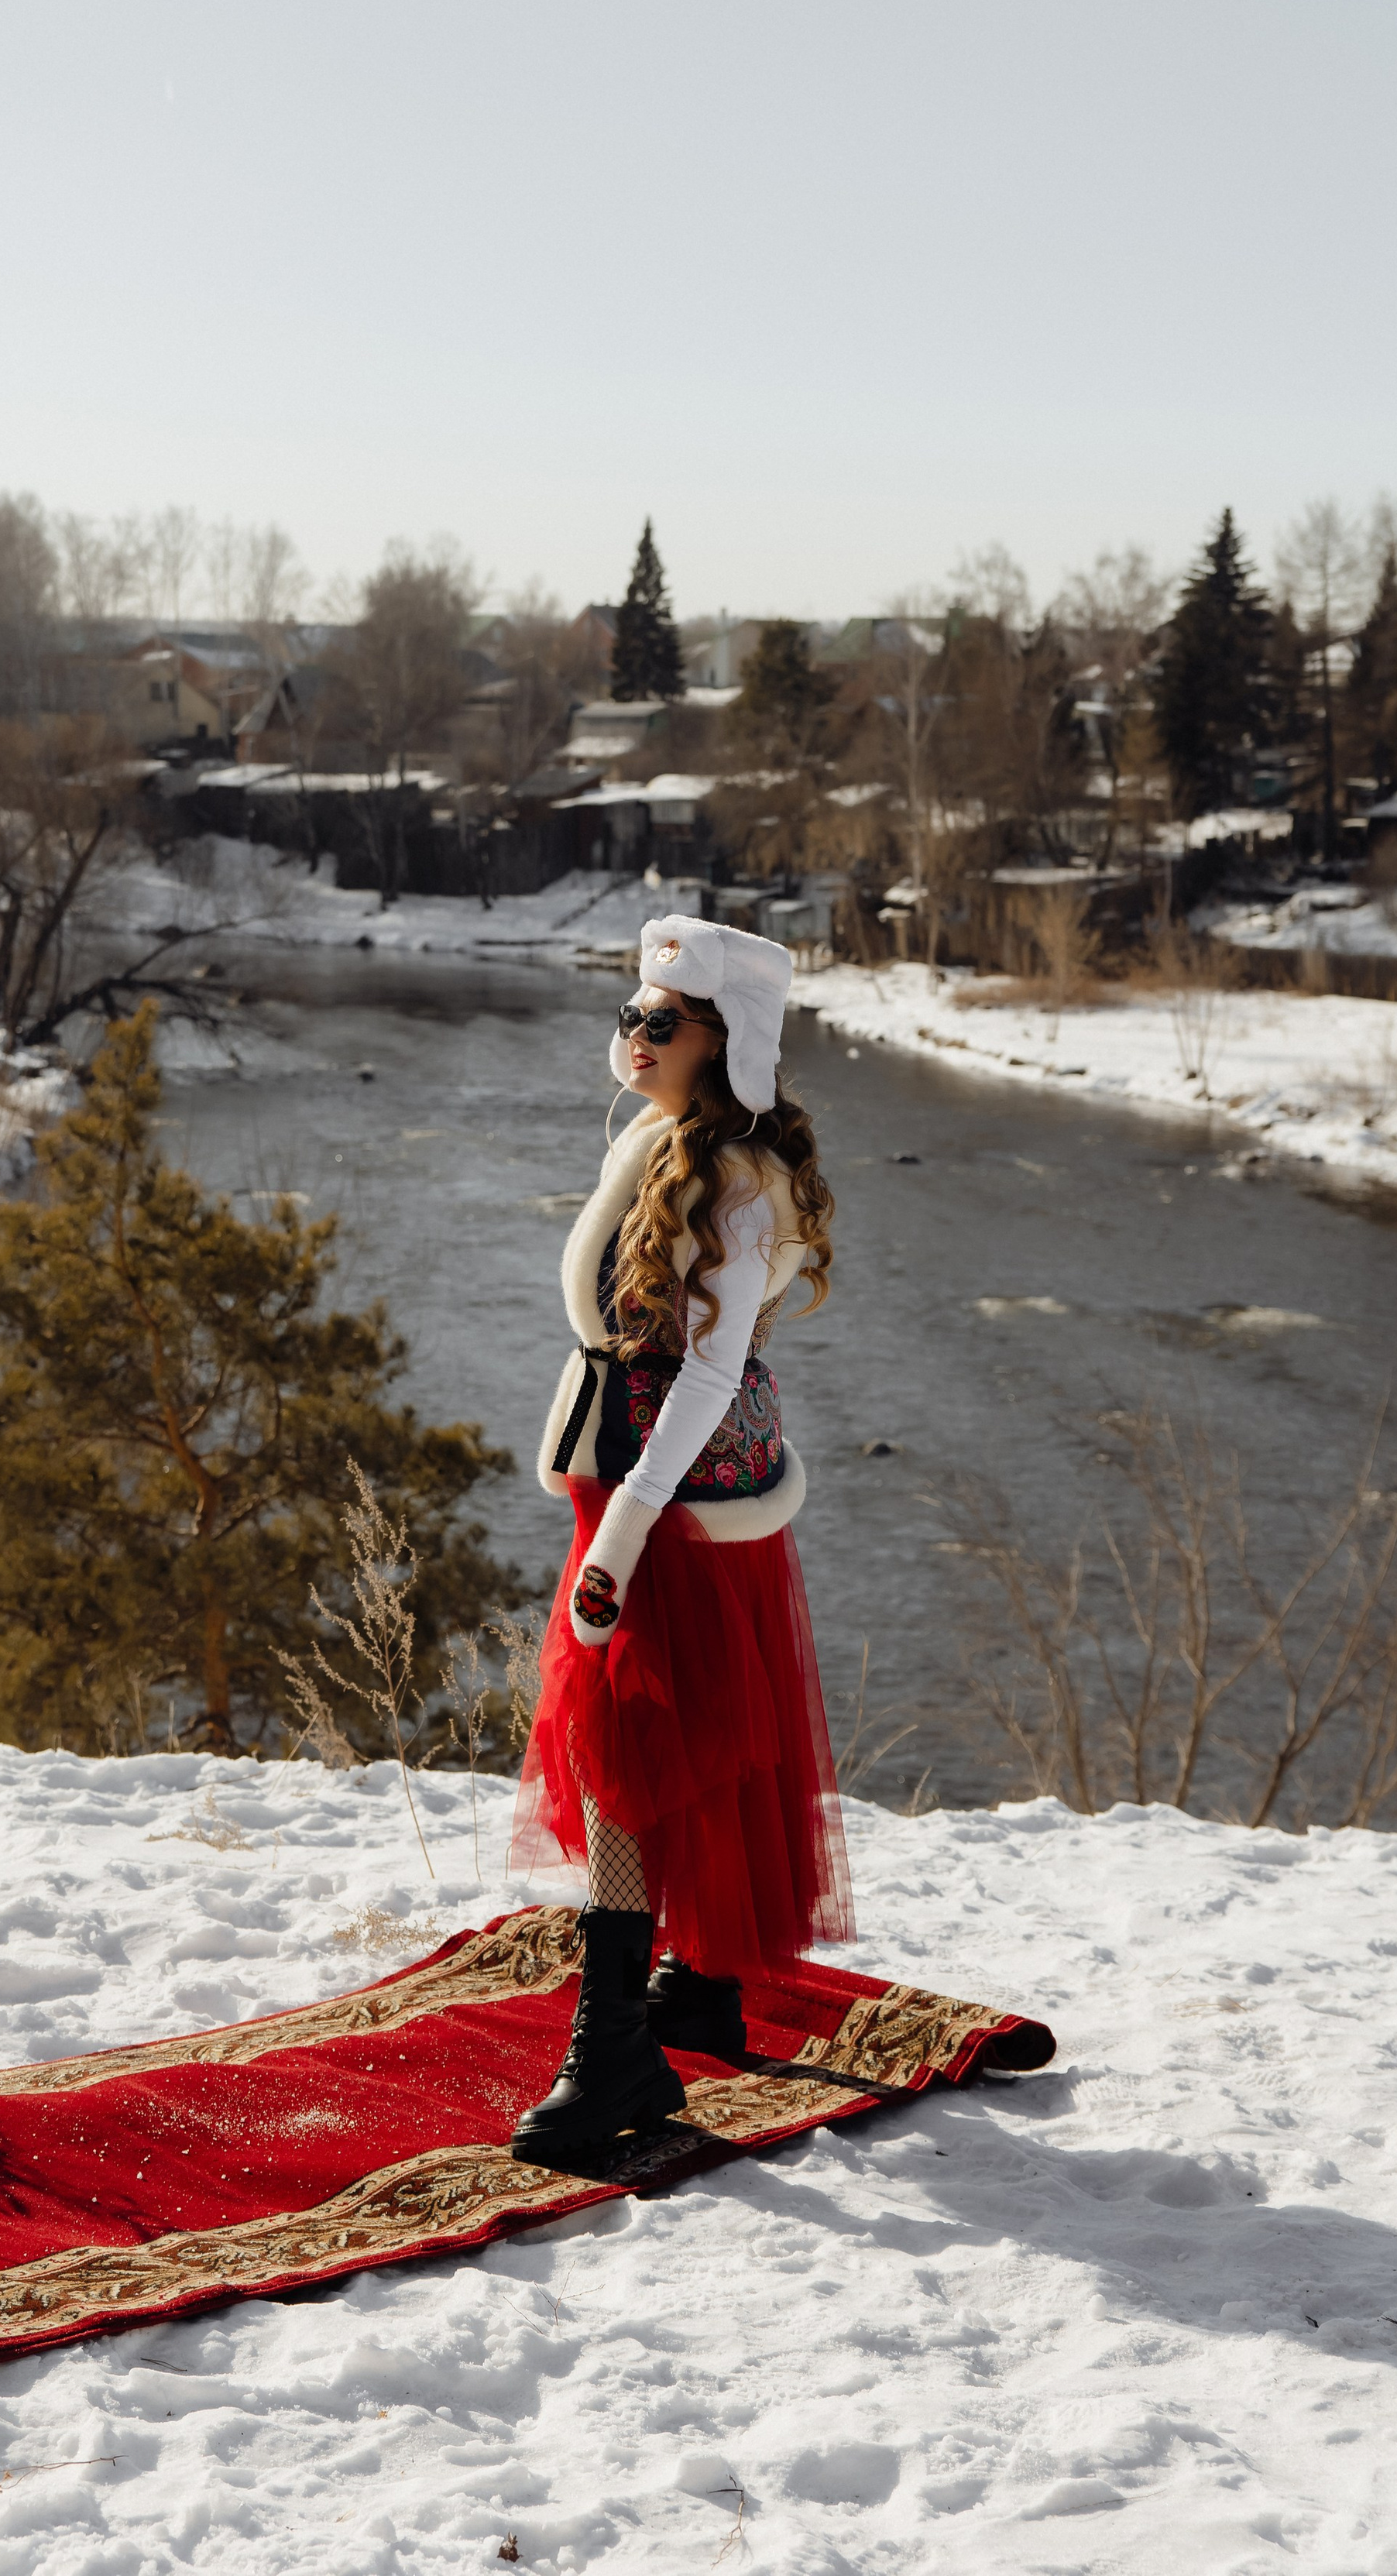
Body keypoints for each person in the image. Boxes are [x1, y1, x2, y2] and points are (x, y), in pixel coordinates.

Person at [509, 912, 854, 2166]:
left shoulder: (734, 1179)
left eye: (663, 1020)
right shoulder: (673, 1143)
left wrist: (626, 1537)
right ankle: (697, 1985)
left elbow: (707, 1375)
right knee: (680, 1733)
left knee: (627, 1753)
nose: (635, 1036)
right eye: (630, 1016)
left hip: (668, 1496)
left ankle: (615, 2055)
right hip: (652, 1485)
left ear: (727, 1040)